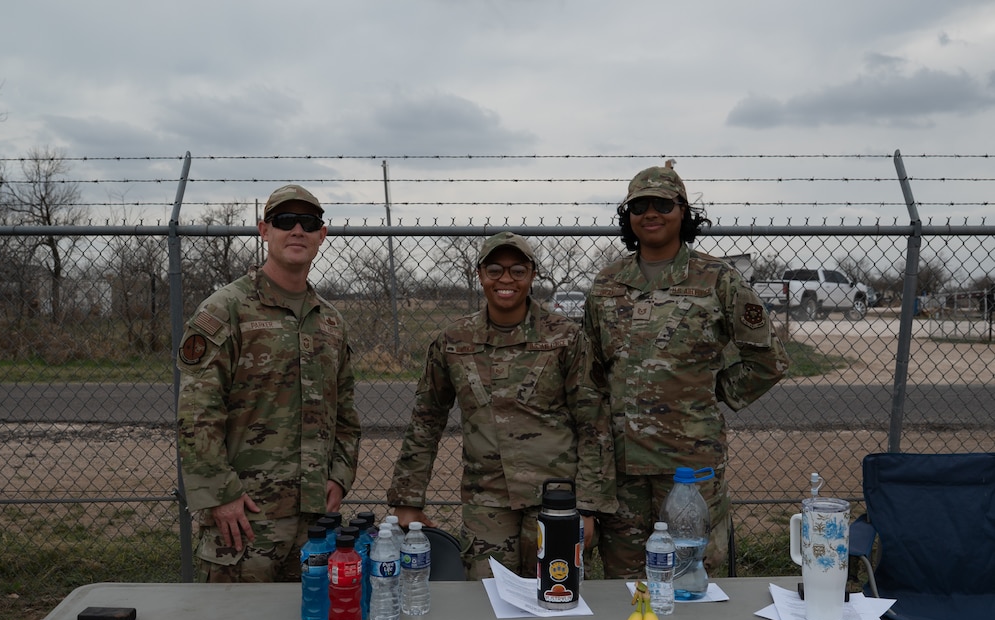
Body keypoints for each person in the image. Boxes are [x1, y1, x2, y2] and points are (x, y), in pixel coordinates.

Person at [584, 163, 790, 579]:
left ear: (683, 211)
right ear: (628, 217)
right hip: (622, 471)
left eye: (662, 203)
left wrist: (712, 391)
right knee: (625, 582)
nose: (650, 213)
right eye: (639, 206)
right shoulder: (606, 284)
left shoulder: (717, 279)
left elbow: (768, 359)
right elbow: (589, 372)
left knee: (692, 580)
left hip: (689, 468)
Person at [387, 232, 617, 579]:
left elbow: (593, 424)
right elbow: (425, 422)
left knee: (556, 594)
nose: (506, 279)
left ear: (532, 275)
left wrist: (586, 507)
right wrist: (407, 501)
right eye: (495, 269)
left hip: (555, 498)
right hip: (487, 503)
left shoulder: (565, 337)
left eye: (517, 270)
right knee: (486, 600)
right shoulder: (453, 342)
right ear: (480, 274)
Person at [177, 184, 361, 583]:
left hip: (315, 525)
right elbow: (197, 414)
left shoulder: (330, 322)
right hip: (244, 522)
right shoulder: (226, 310)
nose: (297, 230)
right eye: (284, 221)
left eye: (308, 222)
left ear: (321, 235)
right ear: (264, 230)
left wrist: (338, 478)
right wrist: (220, 494)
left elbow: (345, 413)